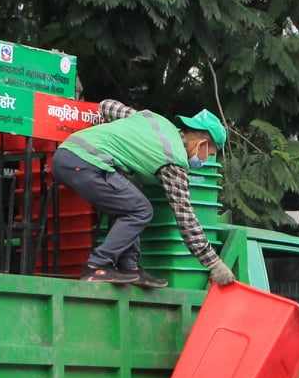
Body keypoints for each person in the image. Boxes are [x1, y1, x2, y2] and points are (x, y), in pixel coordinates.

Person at [53, 102, 237, 289]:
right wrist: (214, 263)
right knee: (140, 210)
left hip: (70, 153)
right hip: (85, 161)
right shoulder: (174, 160)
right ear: (202, 144)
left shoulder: (155, 121)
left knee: (130, 197)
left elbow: (107, 106)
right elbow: (186, 220)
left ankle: (129, 268)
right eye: (209, 154)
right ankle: (97, 265)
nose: (204, 161)